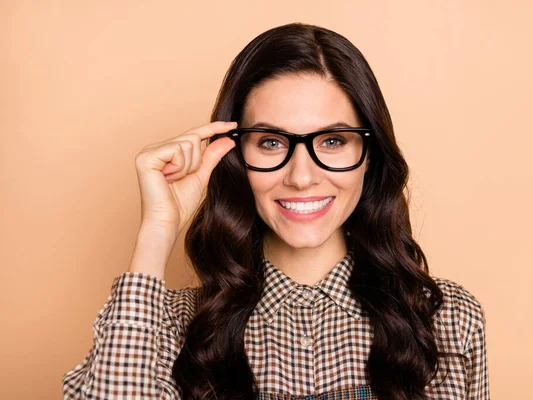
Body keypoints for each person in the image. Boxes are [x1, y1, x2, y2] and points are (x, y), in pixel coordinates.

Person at [62, 22, 489, 400]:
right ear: (235, 156)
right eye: (271, 143)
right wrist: (157, 230)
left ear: (370, 154)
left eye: (333, 141)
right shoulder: (170, 326)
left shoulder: (446, 321)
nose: (302, 177)